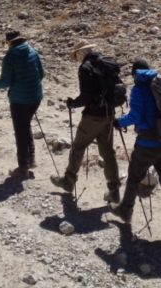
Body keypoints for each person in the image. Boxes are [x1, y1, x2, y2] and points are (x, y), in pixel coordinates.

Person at [111, 58, 161, 241]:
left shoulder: (139, 89)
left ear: (135, 74)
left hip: (147, 144)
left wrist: (119, 122)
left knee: (134, 177)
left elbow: (135, 116)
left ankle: (125, 210)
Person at [50, 41, 122, 201]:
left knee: (78, 147)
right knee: (108, 153)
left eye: (76, 55)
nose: (76, 58)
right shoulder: (106, 63)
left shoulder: (85, 68)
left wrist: (72, 103)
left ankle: (68, 181)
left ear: (81, 52)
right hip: (109, 113)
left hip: (93, 115)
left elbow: (86, 96)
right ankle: (114, 191)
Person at [0, 30, 45, 178]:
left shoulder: (10, 57)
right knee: (25, 126)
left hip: (19, 100)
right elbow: (41, 74)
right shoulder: (33, 51)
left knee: (20, 132)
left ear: (9, 42)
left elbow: (6, 81)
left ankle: (23, 168)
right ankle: (31, 159)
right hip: (36, 97)